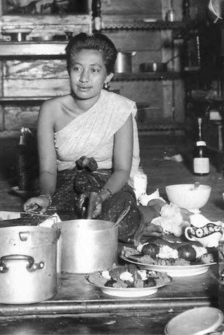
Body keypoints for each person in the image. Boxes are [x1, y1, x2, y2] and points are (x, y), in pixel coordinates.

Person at [23, 32, 167, 243]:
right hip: (66, 184)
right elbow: (47, 169)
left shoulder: (119, 109)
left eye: (95, 70)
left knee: (111, 219)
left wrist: (101, 196)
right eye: (77, 68)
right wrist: (45, 197)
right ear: (68, 71)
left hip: (108, 184)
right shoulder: (51, 110)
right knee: (44, 223)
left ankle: (150, 210)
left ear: (108, 76)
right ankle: (132, 221)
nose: (84, 78)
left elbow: (121, 170)